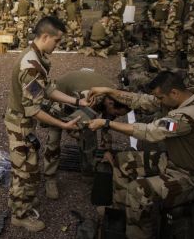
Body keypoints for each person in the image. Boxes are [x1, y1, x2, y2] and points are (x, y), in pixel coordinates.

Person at [87, 71, 194, 239]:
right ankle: (122, 214)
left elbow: (151, 132)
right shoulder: (173, 100)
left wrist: (107, 123)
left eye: (160, 97)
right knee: (122, 161)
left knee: (139, 189)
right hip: (173, 162)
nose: (158, 101)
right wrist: (109, 90)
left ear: (173, 93)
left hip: (190, 175)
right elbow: (140, 100)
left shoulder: (188, 117)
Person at [5, 16, 84, 232]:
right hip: (21, 123)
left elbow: (48, 89)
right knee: (26, 170)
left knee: (23, 166)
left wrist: (77, 101)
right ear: (45, 36)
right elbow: (35, 110)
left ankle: (18, 200)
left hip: (22, 120)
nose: (58, 46)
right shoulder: (32, 67)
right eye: (57, 42)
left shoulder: (37, 57)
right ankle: (19, 215)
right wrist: (63, 125)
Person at [43, 70, 130, 199]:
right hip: (60, 98)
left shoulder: (115, 96)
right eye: (117, 113)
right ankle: (49, 178)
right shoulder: (91, 99)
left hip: (80, 102)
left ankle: (87, 171)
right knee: (54, 139)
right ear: (110, 103)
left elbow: (106, 123)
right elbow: (72, 127)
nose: (116, 116)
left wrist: (107, 150)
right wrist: (76, 132)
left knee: (88, 136)